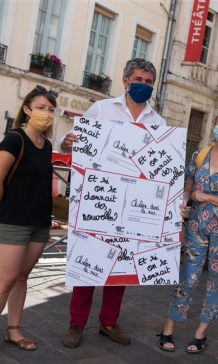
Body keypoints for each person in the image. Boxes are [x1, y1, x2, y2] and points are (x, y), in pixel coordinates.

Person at [57, 58, 166, 348]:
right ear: (126, 81)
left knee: (121, 266)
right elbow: (72, 141)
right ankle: (76, 324)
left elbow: (162, 166)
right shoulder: (102, 108)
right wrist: (67, 143)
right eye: (138, 79)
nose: (143, 85)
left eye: (149, 81)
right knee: (88, 264)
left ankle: (108, 322)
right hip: (98, 200)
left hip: (134, 206)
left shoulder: (158, 122)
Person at [0, 85, 58, 361]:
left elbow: (42, 186)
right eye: (42, 108)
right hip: (13, 222)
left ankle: (14, 330)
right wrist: (1, 212)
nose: (47, 113)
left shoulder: (47, 145)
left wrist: (49, 218)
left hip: (39, 223)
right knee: (5, 281)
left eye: (51, 109)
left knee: (22, 278)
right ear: (27, 110)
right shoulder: (14, 140)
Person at [157, 107, 218, 354]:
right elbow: (188, 187)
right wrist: (185, 200)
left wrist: (207, 197)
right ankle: (168, 328)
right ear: (213, 127)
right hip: (196, 228)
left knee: (217, 282)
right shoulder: (200, 156)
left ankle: (200, 334)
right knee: (187, 277)